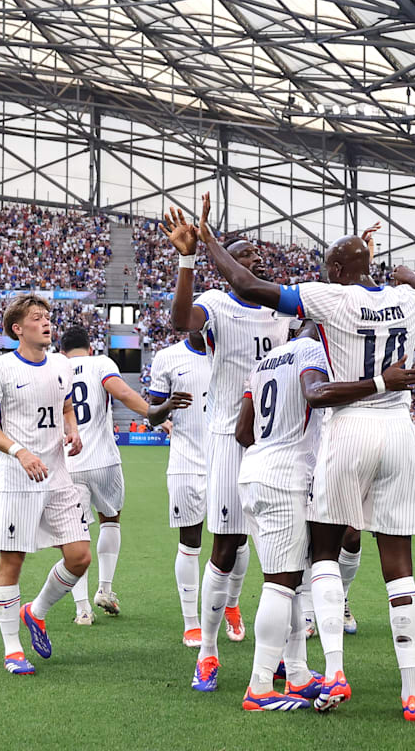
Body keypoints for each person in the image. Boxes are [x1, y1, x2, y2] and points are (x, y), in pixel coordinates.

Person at [187, 203, 415, 723]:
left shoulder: (325, 305)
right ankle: (412, 690)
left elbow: (248, 287)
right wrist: (413, 277)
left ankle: (330, 669)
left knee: (320, 561)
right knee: (398, 567)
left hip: (342, 432)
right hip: (400, 431)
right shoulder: (407, 299)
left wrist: (210, 244)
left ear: (333, 272)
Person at [231, 325, 403, 711]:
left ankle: (297, 674)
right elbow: (316, 393)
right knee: (282, 583)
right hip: (286, 478)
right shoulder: (311, 350)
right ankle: (259, 687)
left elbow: (243, 431)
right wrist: (379, 382)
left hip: (254, 473)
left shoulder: (263, 362)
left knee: (289, 579)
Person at [163, 196, 295, 674]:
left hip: (278, 442)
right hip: (227, 439)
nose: (258, 259)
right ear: (229, 264)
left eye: (261, 256)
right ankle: (208, 650)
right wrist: (186, 259)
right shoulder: (216, 304)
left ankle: (281, 655)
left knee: (282, 551)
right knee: (225, 546)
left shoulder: (282, 309)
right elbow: (181, 322)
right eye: (248, 255)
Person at [0, 295, 89, 676]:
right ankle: (12, 650)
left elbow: (66, 406)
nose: (46, 323)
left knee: (79, 556)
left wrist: (71, 430)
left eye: (48, 317)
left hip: (57, 475)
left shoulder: (60, 365)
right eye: (36, 318)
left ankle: (35, 613)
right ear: (17, 329)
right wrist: (20, 452)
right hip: (19, 479)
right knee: (12, 561)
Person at [59, 324, 186, 625]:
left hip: (69, 462)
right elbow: (124, 393)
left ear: (62, 351)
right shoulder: (101, 363)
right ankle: (105, 589)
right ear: (90, 348)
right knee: (110, 520)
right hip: (103, 461)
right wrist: (156, 417)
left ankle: (82, 611)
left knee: (75, 536)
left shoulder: (55, 369)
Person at [146, 331, 207, 646]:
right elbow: (152, 416)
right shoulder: (168, 357)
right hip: (186, 461)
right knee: (190, 541)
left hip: (227, 459)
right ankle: (191, 622)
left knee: (236, 543)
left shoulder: (233, 349)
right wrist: (168, 405)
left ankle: (233, 606)